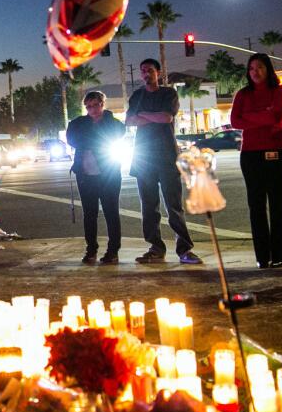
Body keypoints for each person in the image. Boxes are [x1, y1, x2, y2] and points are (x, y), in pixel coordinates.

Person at [126, 58, 201, 265]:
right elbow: (129, 121)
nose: (146, 73)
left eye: (150, 70)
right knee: (149, 207)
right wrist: (153, 116)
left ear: (158, 72)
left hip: (167, 157)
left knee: (174, 206)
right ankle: (155, 247)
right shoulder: (137, 95)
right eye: (143, 71)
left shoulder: (168, 93)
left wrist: (143, 115)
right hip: (143, 159)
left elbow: (166, 118)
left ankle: (184, 249)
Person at [230, 53, 282, 268]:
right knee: (256, 206)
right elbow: (234, 121)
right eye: (252, 68)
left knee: (278, 204)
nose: (255, 72)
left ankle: (280, 255)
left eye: (260, 67)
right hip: (250, 154)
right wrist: (263, 115)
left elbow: (275, 117)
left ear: (268, 69)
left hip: (276, 151)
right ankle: (262, 257)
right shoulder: (242, 94)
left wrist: (250, 117)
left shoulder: (280, 91)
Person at [66, 90, 127, 265]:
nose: (92, 109)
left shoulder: (113, 123)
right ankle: (91, 250)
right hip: (85, 176)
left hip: (109, 175)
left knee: (111, 213)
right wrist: (94, 139)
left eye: (95, 105)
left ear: (102, 104)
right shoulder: (78, 123)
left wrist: (89, 139)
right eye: (88, 106)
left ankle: (113, 251)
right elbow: (72, 139)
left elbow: (116, 134)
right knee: (89, 214)